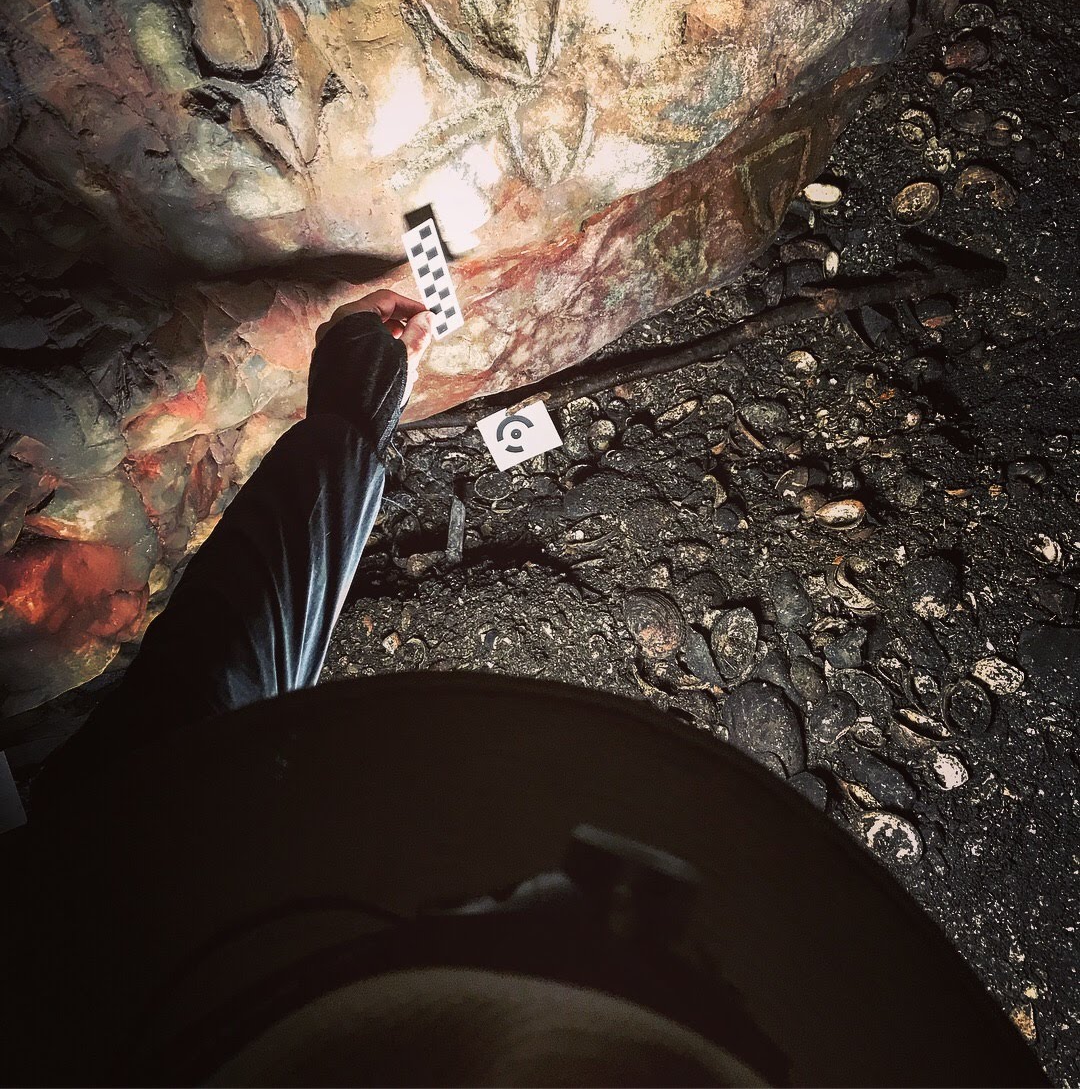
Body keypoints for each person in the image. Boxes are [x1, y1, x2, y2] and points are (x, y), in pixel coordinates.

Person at [10, 288, 1046, 1088]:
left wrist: (361, 398)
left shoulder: (127, 925)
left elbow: (232, 662)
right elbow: (237, 656)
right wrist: (361, 396)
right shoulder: (171, 882)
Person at [32, 290, 437, 808]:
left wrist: (361, 394)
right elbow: (223, 667)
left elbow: (221, 661)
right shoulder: (195, 808)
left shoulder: (148, 809)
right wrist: (361, 394)